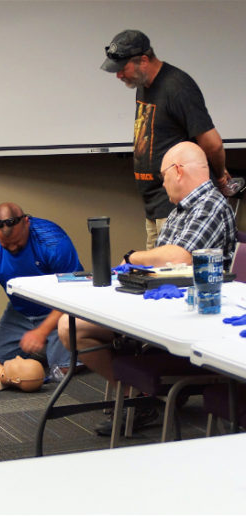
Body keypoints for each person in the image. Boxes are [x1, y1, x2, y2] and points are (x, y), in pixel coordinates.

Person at [58, 141, 237, 434]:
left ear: (178, 171)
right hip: (157, 307)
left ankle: (144, 401)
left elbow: (179, 257)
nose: (161, 181)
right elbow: (161, 263)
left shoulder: (210, 205)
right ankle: (139, 399)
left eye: (164, 174)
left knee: (75, 328)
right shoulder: (181, 210)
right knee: (72, 328)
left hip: (188, 317)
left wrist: (132, 257)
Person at [101, 29, 232, 250]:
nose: (119, 75)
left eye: (123, 68)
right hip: (153, 205)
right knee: (153, 278)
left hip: (175, 207)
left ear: (143, 60)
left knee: (170, 274)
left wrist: (219, 177)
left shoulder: (178, 87)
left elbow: (213, 143)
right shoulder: (144, 85)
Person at [0, 202, 83, 374]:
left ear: (27, 222)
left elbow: (73, 291)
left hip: (59, 309)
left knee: (61, 370)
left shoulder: (52, 240)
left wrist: (42, 331)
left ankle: (87, 344)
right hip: (21, 310)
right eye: (6, 245)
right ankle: (44, 345)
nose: (12, 248)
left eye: (17, 243)